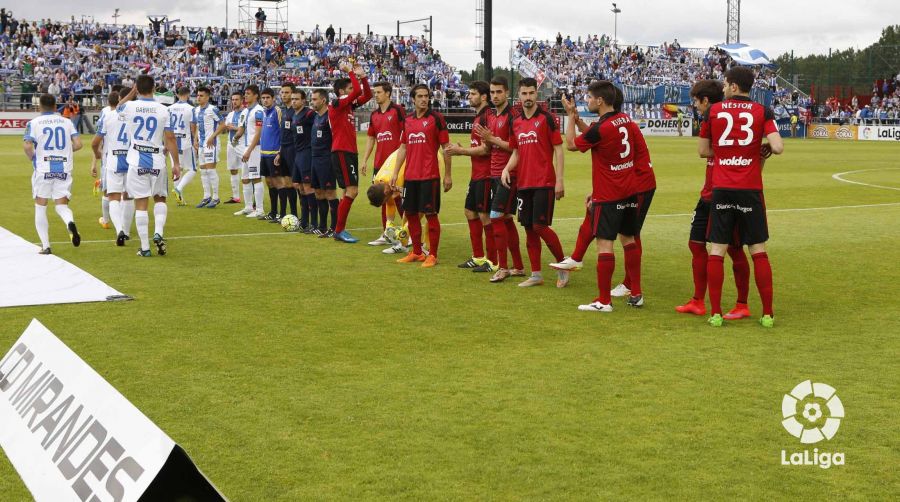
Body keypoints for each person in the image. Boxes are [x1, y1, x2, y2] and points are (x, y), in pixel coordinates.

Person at [553, 85, 654, 305]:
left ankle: (603, 301)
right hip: (629, 190)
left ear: (600, 101)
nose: (586, 100)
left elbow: (571, 144)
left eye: (589, 97)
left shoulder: (603, 128)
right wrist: (579, 120)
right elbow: (595, 135)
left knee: (604, 244)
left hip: (610, 193)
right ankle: (636, 293)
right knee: (629, 239)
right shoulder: (625, 120)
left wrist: (570, 117)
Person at [699, 66, 783, 327]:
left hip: (722, 187)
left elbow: (703, 151)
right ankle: (767, 314)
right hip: (750, 189)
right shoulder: (762, 111)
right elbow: (778, 147)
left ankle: (715, 313)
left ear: (734, 86)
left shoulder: (713, 111)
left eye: (725, 84)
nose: (723, 88)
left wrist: (726, 153)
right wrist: (759, 148)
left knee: (717, 249)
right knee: (757, 249)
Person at [674, 79, 751, 319]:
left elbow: (703, 151)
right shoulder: (717, 118)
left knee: (734, 250)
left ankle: (742, 304)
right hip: (708, 194)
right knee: (696, 244)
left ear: (706, 101)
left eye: (696, 102)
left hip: (727, 193)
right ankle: (698, 300)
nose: (695, 107)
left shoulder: (719, 118)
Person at [500, 78, 567, 288]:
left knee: (540, 226)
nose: (528, 97)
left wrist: (560, 180)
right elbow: (516, 151)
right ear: (518, 96)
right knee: (529, 228)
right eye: (524, 94)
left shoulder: (547, 119)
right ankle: (536, 274)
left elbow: (558, 149)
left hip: (544, 181)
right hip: (524, 183)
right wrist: (506, 168)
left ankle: (563, 265)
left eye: (531, 93)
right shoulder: (516, 122)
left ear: (536, 94)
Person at [117, 75, 182, 257]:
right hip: (157, 160)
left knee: (141, 203)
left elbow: (118, 106)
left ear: (138, 88)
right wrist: (176, 164)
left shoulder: (130, 106)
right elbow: (170, 138)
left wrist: (132, 92)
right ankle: (158, 232)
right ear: (154, 88)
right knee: (160, 198)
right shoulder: (163, 110)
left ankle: (145, 248)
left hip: (137, 159)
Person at [391, 84, 452, 268]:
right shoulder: (407, 120)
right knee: (410, 213)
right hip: (411, 176)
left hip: (430, 176)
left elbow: (446, 148)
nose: (424, 99)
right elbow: (403, 148)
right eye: (420, 96)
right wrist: (395, 172)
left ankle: (432, 254)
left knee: (431, 214)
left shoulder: (436, 118)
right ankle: (416, 252)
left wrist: (447, 175)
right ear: (413, 99)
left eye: (426, 96)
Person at [474, 76, 525, 283]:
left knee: (495, 216)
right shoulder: (490, 116)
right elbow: (487, 148)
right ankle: (519, 266)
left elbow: (517, 147)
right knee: (505, 219)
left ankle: (503, 267)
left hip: (509, 174)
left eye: (499, 92)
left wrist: (493, 139)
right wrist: (461, 150)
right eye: (493, 92)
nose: (495, 96)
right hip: (494, 173)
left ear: (507, 93)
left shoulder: (514, 116)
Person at [446, 80, 497, 273]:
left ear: (484, 97)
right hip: (476, 174)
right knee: (470, 212)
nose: (469, 97)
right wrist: (464, 149)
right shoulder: (478, 118)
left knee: (485, 216)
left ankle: (493, 261)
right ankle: (478, 256)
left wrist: (461, 151)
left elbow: (485, 150)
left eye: (473, 94)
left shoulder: (487, 117)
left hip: (486, 175)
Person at [24, 93, 83, 254]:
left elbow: (28, 146)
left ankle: (46, 245)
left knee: (40, 206)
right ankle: (70, 222)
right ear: (56, 106)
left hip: (43, 169)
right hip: (63, 168)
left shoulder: (34, 123)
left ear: (40, 106)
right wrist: (64, 152)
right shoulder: (67, 122)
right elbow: (78, 144)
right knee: (62, 205)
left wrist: (33, 158)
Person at [328, 61, 372, 243]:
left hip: (348, 152)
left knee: (348, 191)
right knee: (352, 191)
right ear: (341, 91)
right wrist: (352, 74)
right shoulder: (337, 103)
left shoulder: (349, 106)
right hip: (342, 151)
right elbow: (357, 91)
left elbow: (367, 94)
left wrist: (364, 77)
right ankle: (339, 230)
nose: (351, 90)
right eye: (348, 88)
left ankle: (338, 228)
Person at [362, 81, 405, 245]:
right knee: (383, 198)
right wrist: (365, 159)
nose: (375, 94)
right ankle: (387, 233)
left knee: (400, 198)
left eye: (378, 92)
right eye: (375, 92)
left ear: (388, 93)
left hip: (396, 164)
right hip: (380, 165)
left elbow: (406, 132)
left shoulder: (397, 110)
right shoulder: (374, 115)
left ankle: (405, 234)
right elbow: (371, 138)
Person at [92, 91, 135, 246]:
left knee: (114, 198)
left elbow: (94, 142)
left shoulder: (107, 116)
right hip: (131, 160)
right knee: (128, 197)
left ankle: (119, 230)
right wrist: (134, 91)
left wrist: (97, 154)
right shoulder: (132, 117)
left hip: (113, 160)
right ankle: (127, 231)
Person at [232, 85, 266, 218]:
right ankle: (248, 207)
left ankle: (260, 209)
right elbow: (241, 129)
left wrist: (249, 150)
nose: (245, 96)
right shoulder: (245, 111)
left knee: (256, 177)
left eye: (248, 94)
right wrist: (234, 139)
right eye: (245, 94)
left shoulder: (259, 111)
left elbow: (258, 133)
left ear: (256, 95)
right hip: (246, 148)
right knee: (245, 178)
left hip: (255, 148)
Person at [310, 88, 339, 236]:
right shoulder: (315, 116)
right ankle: (322, 226)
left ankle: (334, 228)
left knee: (330, 193)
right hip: (315, 159)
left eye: (315, 99)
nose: (312, 102)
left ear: (323, 100)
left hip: (327, 160)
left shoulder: (330, 116)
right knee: (318, 192)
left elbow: (336, 137)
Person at [208, 91, 244, 204]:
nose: (234, 102)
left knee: (247, 172)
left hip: (243, 144)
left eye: (236, 99)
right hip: (231, 144)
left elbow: (243, 129)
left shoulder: (245, 113)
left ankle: (252, 199)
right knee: (233, 169)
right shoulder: (231, 114)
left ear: (242, 100)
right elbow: (225, 128)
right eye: (232, 100)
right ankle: (236, 197)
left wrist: (232, 127)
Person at [290, 89, 317, 232]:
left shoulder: (309, 114)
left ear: (303, 101)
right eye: (292, 99)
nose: (293, 101)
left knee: (308, 187)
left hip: (307, 154)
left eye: (296, 99)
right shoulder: (294, 115)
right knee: (298, 185)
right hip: (298, 155)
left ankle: (313, 223)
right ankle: (304, 220)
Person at [258, 88, 285, 221]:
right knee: (269, 182)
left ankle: (283, 213)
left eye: (268, 97)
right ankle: (273, 212)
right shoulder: (263, 112)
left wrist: (280, 152)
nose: (265, 100)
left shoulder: (277, 111)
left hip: (274, 154)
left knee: (278, 182)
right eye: (263, 98)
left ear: (273, 98)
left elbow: (283, 132)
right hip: (264, 154)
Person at [193, 86, 222, 208]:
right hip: (201, 144)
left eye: (201, 96)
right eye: (198, 95)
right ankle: (206, 196)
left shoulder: (213, 109)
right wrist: (195, 139)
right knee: (203, 171)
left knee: (210, 170)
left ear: (207, 97)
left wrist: (212, 137)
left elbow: (222, 124)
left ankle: (215, 197)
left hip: (211, 144)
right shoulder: (196, 110)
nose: (198, 97)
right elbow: (198, 126)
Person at [170, 87, 197, 205]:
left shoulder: (169, 109)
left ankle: (179, 200)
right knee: (193, 169)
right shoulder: (191, 109)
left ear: (177, 94)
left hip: (172, 142)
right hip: (185, 141)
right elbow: (193, 127)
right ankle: (178, 189)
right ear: (188, 94)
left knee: (177, 169)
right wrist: (196, 140)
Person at [274, 83, 297, 220]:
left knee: (298, 185)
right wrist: (279, 152)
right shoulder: (284, 111)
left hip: (295, 151)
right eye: (282, 92)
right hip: (284, 150)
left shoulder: (297, 112)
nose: (284, 95)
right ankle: (292, 214)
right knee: (287, 182)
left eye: (287, 92)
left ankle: (302, 216)